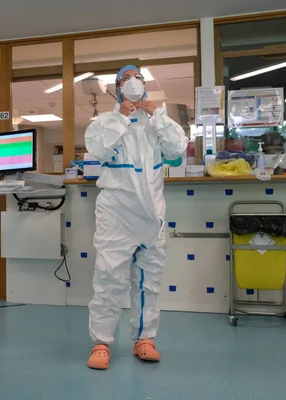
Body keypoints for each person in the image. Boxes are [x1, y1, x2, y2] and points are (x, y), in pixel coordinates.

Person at [85, 65, 188, 370]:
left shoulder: (157, 123)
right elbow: (100, 151)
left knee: (149, 280)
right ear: (117, 88)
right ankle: (101, 342)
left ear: (146, 84)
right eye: (125, 79)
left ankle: (145, 338)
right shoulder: (104, 122)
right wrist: (121, 117)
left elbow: (178, 149)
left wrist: (158, 115)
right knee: (108, 277)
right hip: (116, 213)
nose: (132, 82)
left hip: (152, 214)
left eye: (138, 77)